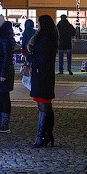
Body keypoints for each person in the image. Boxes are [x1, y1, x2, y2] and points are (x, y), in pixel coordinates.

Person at [27, 14, 58, 148]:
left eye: (38, 23)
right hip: (43, 74)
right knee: (45, 105)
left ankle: (41, 136)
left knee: (43, 105)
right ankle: (47, 134)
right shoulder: (48, 37)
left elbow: (42, 58)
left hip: (42, 75)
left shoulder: (45, 39)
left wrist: (29, 58)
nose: (37, 25)